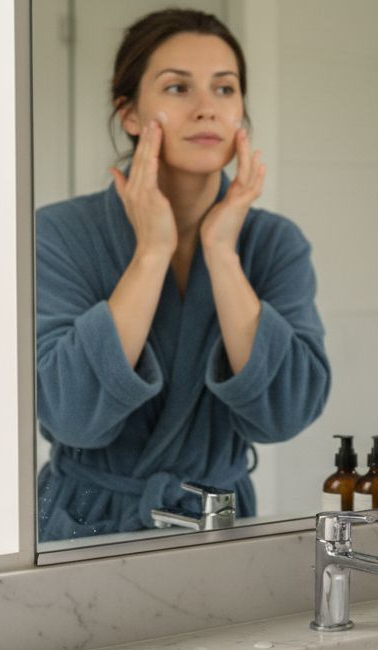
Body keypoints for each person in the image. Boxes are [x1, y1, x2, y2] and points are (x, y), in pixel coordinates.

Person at [35, 9, 330, 541]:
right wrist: (152, 253)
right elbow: (70, 412)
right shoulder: (56, 235)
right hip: (84, 525)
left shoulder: (274, 244)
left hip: (218, 526)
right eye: (177, 88)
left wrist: (221, 252)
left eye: (224, 89)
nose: (205, 109)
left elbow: (285, 412)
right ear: (128, 113)